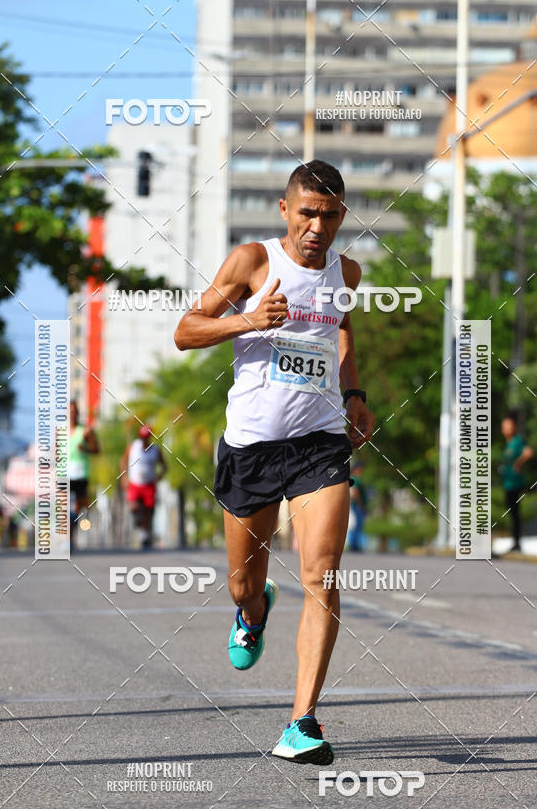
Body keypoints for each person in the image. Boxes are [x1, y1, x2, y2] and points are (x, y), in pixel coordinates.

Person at [175, 159, 374, 765]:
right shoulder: (253, 263)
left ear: (342, 216)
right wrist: (248, 320)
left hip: (319, 443)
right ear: (286, 210)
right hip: (251, 447)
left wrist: (354, 394)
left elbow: (340, 328)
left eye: (330, 216)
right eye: (308, 213)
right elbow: (186, 330)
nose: (318, 227)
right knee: (242, 582)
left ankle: (302, 722)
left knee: (323, 574)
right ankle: (252, 609)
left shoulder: (347, 272)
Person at [120, 425, 167, 549]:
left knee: (148, 510)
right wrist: (124, 477)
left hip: (149, 484)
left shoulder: (155, 450)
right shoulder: (132, 447)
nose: (144, 440)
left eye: (147, 437)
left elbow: (164, 467)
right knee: (134, 506)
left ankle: (145, 535)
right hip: (135, 483)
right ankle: (138, 520)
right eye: (143, 437)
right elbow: (123, 461)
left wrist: (158, 478)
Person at [500, 413, 533, 552]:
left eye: (509, 425)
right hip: (508, 483)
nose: (506, 428)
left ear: (514, 427)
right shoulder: (508, 443)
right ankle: (515, 541)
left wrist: (518, 464)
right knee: (512, 512)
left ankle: (517, 542)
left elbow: (529, 452)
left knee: (515, 513)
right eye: (504, 426)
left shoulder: (517, 441)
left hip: (515, 483)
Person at [69, 400, 99, 546]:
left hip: (81, 475)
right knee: (65, 508)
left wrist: (85, 449)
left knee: (76, 509)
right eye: (70, 412)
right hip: (65, 475)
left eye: (74, 412)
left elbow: (97, 449)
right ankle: (67, 538)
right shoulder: (60, 432)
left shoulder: (86, 431)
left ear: (78, 413)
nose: (72, 415)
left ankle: (71, 537)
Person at [347, 462, 368, 552]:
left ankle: (354, 545)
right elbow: (355, 492)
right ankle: (354, 546)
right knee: (357, 526)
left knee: (357, 526)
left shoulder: (355, 478)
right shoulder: (355, 479)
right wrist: (360, 505)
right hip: (357, 506)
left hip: (356, 506)